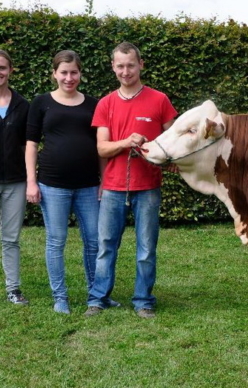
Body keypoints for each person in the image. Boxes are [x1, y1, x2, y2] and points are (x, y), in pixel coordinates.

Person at [84, 42, 177, 319]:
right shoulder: (105, 103)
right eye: (120, 66)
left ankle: (143, 301)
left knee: (146, 247)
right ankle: (98, 298)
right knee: (106, 246)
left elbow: (172, 143)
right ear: (113, 67)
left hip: (147, 186)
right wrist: (126, 142)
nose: (126, 71)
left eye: (131, 65)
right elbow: (101, 148)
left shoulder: (159, 100)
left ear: (141, 65)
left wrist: (158, 151)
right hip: (113, 186)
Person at [25, 50, 106, 314]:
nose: (69, 78)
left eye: (74, 72)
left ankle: (96, 295)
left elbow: (101, 145)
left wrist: (104, 180)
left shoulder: (93, 104)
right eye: (64, 72)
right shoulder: (41, 103)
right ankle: (60, 297)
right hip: (52, 185)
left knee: (94, 241)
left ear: (80, 73)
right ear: (54, 73)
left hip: (88, 185)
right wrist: (31, 182)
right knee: (56, 241)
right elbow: (31, 144)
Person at [0, 49, 30, 305]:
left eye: (2, 67)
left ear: (10, 70)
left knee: (10, 238)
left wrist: (31, 177)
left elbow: (26, 146)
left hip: (15, 181)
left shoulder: (22, 105)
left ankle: (13, 288)